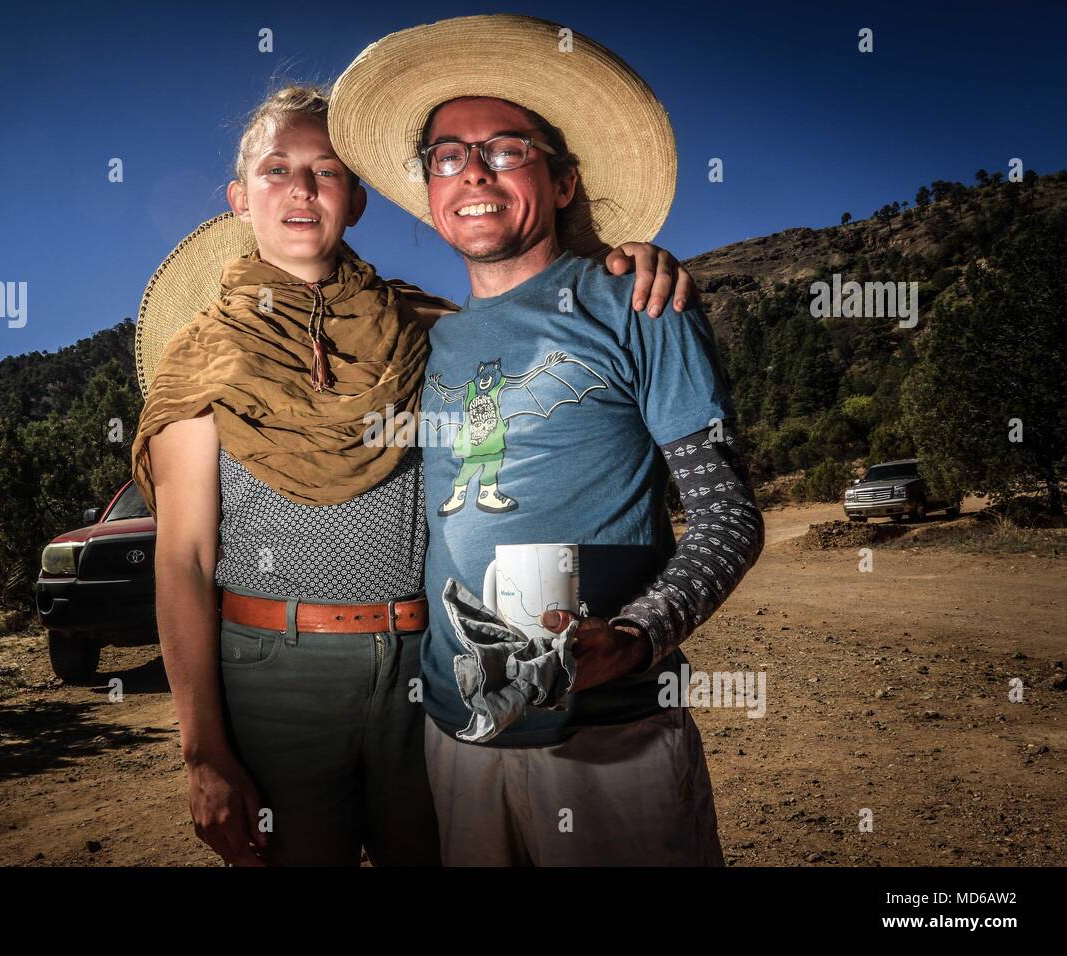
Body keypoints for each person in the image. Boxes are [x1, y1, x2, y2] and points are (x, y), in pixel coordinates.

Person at [129, 84, 699, 866]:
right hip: (273, 671)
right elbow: (184, 559)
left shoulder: (426, 331)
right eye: (275, 170)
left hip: (424, 670)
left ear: (357, 200)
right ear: (239, 198)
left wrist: (625, 258)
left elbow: (528, 309)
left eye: (326, 171)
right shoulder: (200, 358)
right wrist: (202, 755)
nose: (301, 189)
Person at [329, 14, 766, 865]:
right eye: (447, 156)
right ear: (429, 192)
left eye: (506, 148)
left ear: (563, 182)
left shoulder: (637, 304)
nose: (473, 171)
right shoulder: (425, 342)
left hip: (612, 740)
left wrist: (636, 638)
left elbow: (727, 518)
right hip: (457, 737)